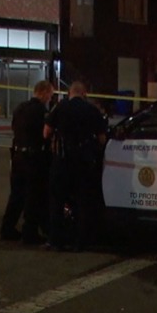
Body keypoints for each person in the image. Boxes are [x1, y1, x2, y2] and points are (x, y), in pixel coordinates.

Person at [43, 80, 108, 251]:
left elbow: (46, 132)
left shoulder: (59, 107)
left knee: (57, 202)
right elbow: (102, 138)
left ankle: (55, 240)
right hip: (83, 162)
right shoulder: (92, 110)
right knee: (82, 202)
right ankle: (80, 242)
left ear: (69, 93)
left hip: (61, 160)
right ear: (84, 94)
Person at [0, 80, 55, 244]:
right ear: (43, 93)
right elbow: (45, 135)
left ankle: (7, 228)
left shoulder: (20, 108)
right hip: (34, 158)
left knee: (16, 195)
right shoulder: (42, 112)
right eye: (50, 95)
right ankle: (30, 233)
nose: (50, 99)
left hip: (18, 156)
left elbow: (14, 128)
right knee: (33, 196)